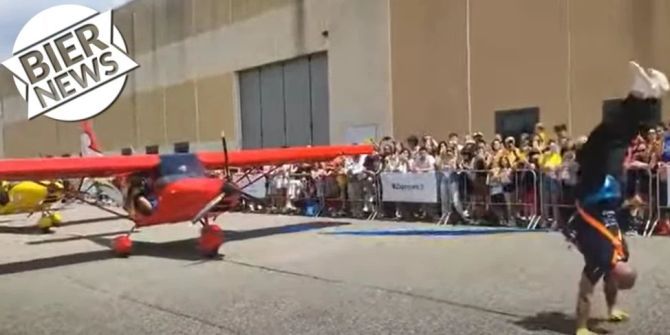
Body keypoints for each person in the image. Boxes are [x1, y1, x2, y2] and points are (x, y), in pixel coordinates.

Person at [570, 61, 669, 335]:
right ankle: (645, 95)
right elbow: (616, 217)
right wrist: (631, 204)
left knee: (605, 138)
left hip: (592, 186)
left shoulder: (600, 259)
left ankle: (642, 96)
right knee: (620, 138)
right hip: (610, 186)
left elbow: (585, 291)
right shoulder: (621, 250)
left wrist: (580, 328)